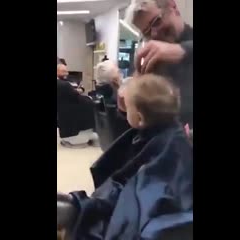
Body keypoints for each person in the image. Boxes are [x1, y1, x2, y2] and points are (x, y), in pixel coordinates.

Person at [57, 74, 193, 239]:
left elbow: (138, 197)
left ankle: (76, 208)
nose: (123, 110)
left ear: (140, 119)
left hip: (142, 209)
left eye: (127, 108)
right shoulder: (164, 130)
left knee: (87, 217)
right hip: (129, 189)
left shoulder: (165, 153)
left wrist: (91, 205)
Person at [124, 0, 193, 128]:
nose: (154, 34)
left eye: (156, 22)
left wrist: (183, 50)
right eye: (147, 32)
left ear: (173, 6)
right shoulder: (154, 60)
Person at [57, 64, 98, 148]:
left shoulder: (66, 82)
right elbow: (75, 95)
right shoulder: (63, 84)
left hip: (64, 115)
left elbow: (78, 91)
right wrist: (90, 99)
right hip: (72, 113)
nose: (66, 73)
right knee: (92, 105)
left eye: (66, 71)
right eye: (64, 71)